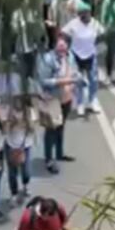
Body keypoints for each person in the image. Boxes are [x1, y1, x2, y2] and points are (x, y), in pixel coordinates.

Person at [37, 35, 77, 174]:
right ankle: (49, 159)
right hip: (52, 99)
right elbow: (43, 81)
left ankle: (59, 153)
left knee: (61, 127)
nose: (61, 49)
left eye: (64, 46)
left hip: (66, 98)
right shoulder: (48, 59)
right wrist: (62, 81)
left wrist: (74, 83)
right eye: (59, 46)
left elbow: (74, 72)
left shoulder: (70, 56)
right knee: (51, 130)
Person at [61, 2, 103, 115]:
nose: (85, 15)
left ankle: (93, 101)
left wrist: (94, 44)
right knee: (78, 80)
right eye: (82, 13)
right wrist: (67, 45)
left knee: (93, 79)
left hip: (90, 54)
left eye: (87, 13)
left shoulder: (95, 23)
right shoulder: (73, 23)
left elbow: (102, 33)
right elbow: (63, 32)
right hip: (76, 54)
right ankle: (80, 103)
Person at [4, 96, 36, 202]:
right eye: (16, 100)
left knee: (26, 171)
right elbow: (4, 130)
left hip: (25, 146)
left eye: (20, 100)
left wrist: (27, 124)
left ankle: (25, 184)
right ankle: (14, 193)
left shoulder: (30, 112)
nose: (18, 103)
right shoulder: (8, 111)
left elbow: (34, 129)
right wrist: (11, 124)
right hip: (11, 145)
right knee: (12, 173)